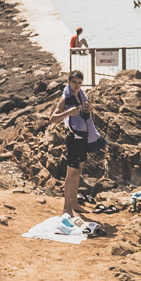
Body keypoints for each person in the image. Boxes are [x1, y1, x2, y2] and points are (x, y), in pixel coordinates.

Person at [48, 70, 105, 218]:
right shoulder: (65, 99)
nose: (77, 85)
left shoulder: (81, 96)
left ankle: (74, 204)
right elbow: (52, 119)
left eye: (80, 83)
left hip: (83, 138)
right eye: (74, 82)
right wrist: (68, 113)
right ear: (69, 82)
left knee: (78, 172)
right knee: (71, 173)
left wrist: (91, 110)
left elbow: (86, 115)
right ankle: (66, 208)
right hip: (73, 139)